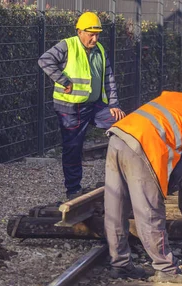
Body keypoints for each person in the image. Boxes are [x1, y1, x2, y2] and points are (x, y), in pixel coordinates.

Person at [104, 87, 182, 284]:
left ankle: (120, 264)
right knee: (150, 212)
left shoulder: (174, 96)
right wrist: (166, 187)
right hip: (143, 148)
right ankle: (166, 268)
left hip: (119, 135)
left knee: (116, 208)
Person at [38, 12, 125, 200]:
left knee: (123, 126)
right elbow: (44, 60)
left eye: (97, 34)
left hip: (94, 106)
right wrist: (63, 80)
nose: (95, 39)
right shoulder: (67, 46)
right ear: (79, 32)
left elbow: (109, 79)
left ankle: (124, 177)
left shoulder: (100, 50)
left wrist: (114, 105)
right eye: (91, 34)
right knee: (73, 148)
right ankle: (73, 191)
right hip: (69, 109)